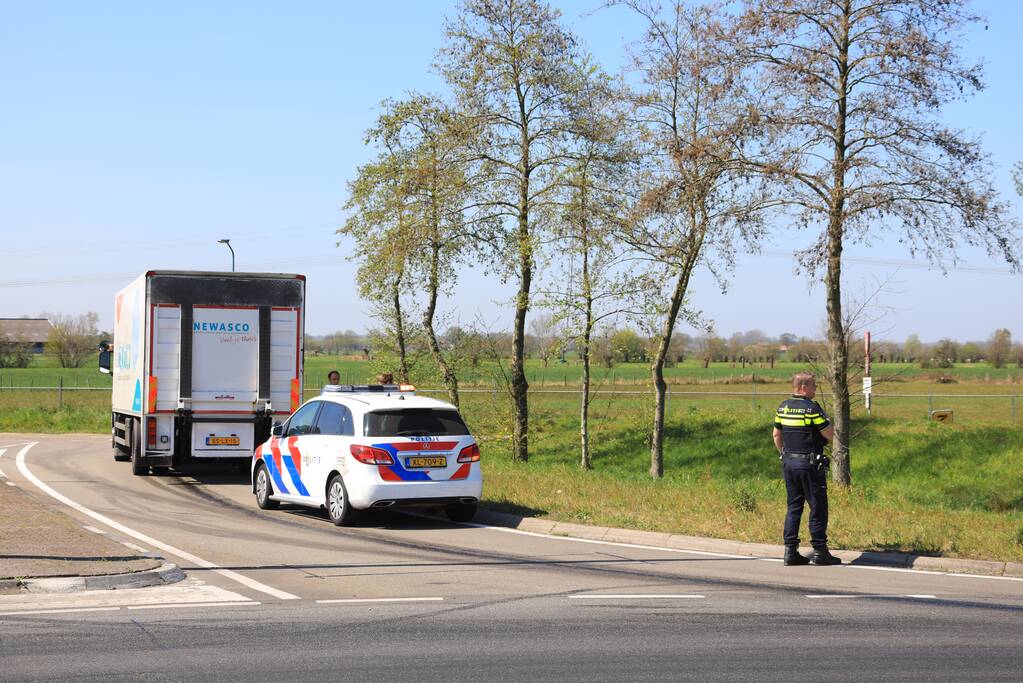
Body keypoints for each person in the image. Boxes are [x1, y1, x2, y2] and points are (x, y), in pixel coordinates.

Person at [772, 372, 842, 566]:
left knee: (794, 507)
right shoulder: (812, 409)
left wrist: (783, 454)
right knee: (817, 506)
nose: (816, 389)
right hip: (810, 464)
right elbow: (828, 434)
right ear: (803, 387)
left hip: (789, 463)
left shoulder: (783, 407)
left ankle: (790, 551)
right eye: (814, 385)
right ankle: (820, 551)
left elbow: (777, 435)